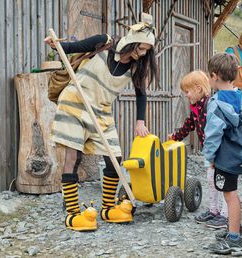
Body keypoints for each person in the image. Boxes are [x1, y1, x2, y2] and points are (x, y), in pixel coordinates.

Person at [44, 21, 157, 231]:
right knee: (73, 155)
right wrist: (54, 44)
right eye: (141, 48)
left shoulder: (135, 67)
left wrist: (140, 121)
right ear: (132, 42)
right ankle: (72, 214)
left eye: (146, 51)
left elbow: (141, 94)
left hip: (101, 111)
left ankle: (107, 208)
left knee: (115, 157)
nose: (142, 54)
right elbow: (69, 49)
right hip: (76, 102)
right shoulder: (103, 43)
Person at [203, 53, 242, 255]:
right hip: (241, 154)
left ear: (214, 76)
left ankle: (234, 238)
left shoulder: (216, 103)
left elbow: (212, 135)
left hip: (226, 157)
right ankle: (236, 228)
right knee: (232, 192)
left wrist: (210, 157)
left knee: (230, 195)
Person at [168, 70, 228, 229]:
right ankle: (214, 210)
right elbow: (189, 124)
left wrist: (217, 153)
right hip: (210, 151)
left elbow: (219, 129)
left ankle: (225, 214)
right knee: (211, 178)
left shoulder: (211, 105)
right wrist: (176, 136)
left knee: (223, 181)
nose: (186, 95)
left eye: (187, 92)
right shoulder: (195, 107)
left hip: (221, 150)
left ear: (199, 89)